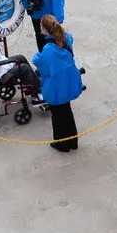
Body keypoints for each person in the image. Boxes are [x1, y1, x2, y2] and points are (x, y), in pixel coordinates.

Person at [33, 15, 84, 152]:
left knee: (57, 115)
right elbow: (69, 38)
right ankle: (73, 141)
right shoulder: (66, 38)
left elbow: (43, 67)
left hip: (56, 86)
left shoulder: (48, 50)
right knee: (67, 111)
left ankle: (61, 143)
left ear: (44, 29)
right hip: (69, 81)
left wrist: (36, 57)